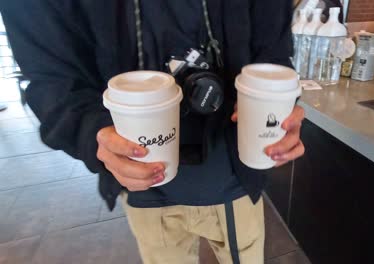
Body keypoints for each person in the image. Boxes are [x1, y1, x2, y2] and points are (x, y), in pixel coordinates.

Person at [0, 1, 305, 263]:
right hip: (139, 177)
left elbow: (273, 51)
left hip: (231, 168)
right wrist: (90, 130)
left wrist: (279, 104)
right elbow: (48, 76)